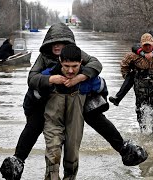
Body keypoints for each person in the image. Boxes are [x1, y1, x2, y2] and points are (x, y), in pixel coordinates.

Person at [0, 23, 148, 180]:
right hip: (47, 101)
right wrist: (51, 79)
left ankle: (124, 148)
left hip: (76, 99)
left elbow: (96, 63)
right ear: (47, 44)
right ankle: (17, 160)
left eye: (61, 43)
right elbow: (32, 78)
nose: (57, 46)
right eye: (53, 43)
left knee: (95, 118)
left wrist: (80, 77)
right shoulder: (43, 58)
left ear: (69, 44)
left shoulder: (76, 55)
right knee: (35, 124)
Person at [40, 44, 108, 179]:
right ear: (60, 61)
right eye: (66, 66)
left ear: (81, 63)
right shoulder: (47, 76)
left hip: (75, 123)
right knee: (53, 156)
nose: (70, 71)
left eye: (75, 66)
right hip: (52, 123)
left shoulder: (89, 79)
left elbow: (102, 89)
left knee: (72, 157)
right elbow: (32, 98)